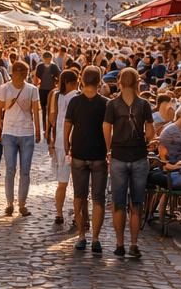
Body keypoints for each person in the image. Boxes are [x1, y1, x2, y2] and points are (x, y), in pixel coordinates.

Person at [103, 67, 155, 259]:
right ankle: (134, 243)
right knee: (136, 203)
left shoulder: (112, 104)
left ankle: (119, 244)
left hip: (118, 156)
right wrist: (147, 141)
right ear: (136, 82)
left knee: (118, 203)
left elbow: (106, 128)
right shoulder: (144, 104)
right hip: (139, 156)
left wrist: (108, 148)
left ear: (120, 82)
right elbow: (150, 131)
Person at [63, 66, 109, 254]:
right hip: (98, 154)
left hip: (79, 153)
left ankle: (82, 235)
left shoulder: (75, 102)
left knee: (79, 197)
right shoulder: (106, 103)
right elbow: (108, 129)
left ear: (82, 80)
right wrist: (109, 149)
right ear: (99, 81)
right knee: (98, 198)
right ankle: (96, 238)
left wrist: (66, 146)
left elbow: (67, 126)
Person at [0, 60, 41, 217]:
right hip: (9, 132)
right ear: (13, 73)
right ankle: (9, 203)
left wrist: (37, 130)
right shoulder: (4, 88)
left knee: (25, 171)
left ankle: (22, 203)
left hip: (27, 133)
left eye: (24, 74)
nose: (22, 76)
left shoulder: (32, 89)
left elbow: (36, 110)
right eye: (19, 73)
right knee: (10, 169)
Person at [45, 70, 79, 227]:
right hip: (76, 141)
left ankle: (59, 213)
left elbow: (52, 118)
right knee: (78, 183)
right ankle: (77, 215)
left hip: (60, 141)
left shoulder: (56, 95)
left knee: (62, 182)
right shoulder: (78, 96)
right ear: (72, 82)